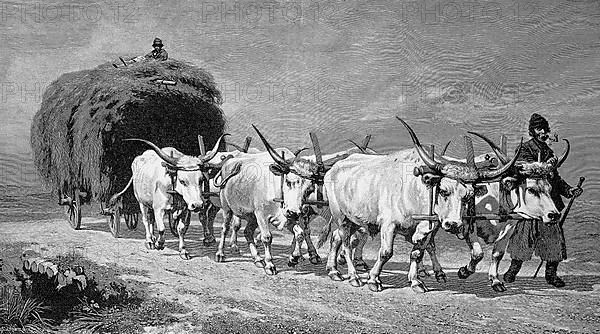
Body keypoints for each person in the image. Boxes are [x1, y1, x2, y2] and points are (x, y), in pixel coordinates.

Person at [503, 113, 583, 287]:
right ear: (533, 131)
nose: (543, 132)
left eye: (545, 129)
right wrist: (540, 168)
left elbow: (556, 179)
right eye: (539, 129)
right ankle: (512, 271)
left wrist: (569, 191)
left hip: (549, 204)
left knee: (554, 242)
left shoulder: (549, 151)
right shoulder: (524, 148)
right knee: (523, 241)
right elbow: (523, 170)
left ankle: (551, 275)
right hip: (531, 202)